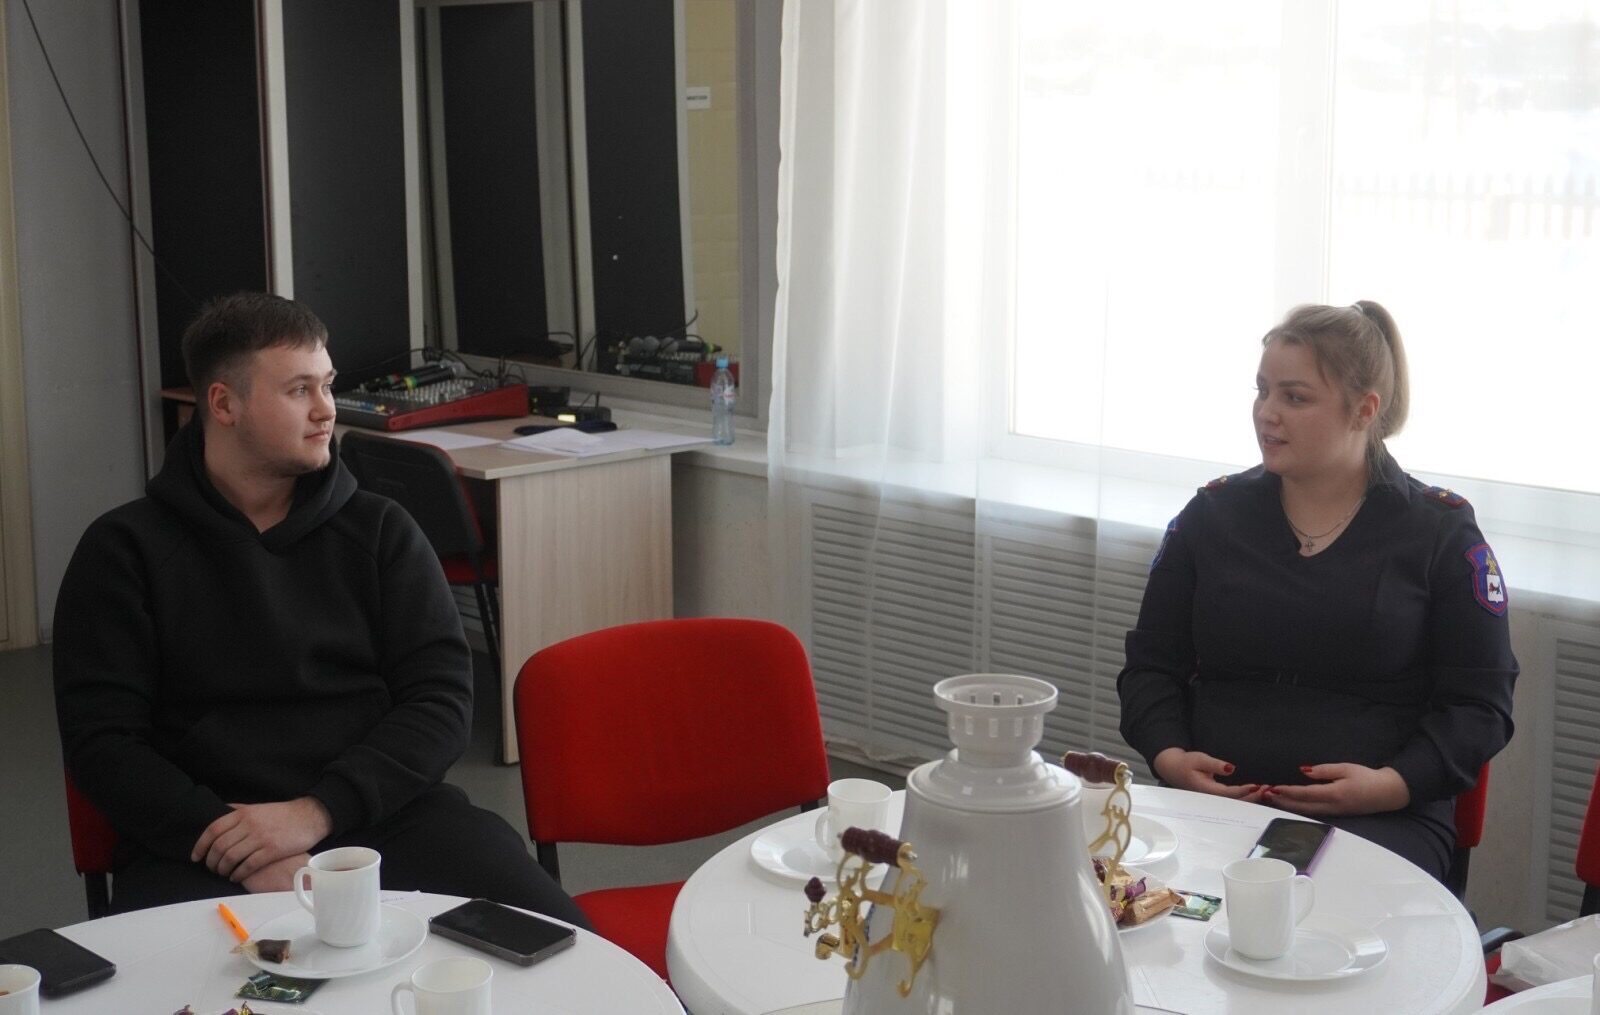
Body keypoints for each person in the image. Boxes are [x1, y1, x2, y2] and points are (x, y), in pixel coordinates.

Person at [53, 292, 590, 925]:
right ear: (223, 404)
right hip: (204, 839)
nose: (326, 409)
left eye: (327, 384)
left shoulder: (381, 531)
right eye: (298, 390)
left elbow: (440, 700)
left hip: (383, 816)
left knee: (562, 947)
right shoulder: (122, 551)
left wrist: (316, 813)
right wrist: (239, 846)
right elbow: (103, 742)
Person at [1116, 301, 1517, 880]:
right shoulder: (1212, 515)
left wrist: (1392, 784)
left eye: (1295, 398)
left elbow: (1480, 706)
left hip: (1378, 821)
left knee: (1303, 919)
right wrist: (1170, 755)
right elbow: (1151, 667)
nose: (1267, 414)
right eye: (1262, 391)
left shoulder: (1439, 532)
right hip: (1213, 808)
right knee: (1125, 910)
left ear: (1364, 410)